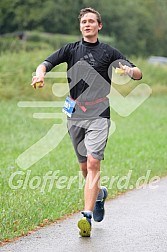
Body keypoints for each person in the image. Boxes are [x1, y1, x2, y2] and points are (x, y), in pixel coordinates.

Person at [31, 7, 142, 237]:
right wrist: (40, 74)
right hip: (75, 114)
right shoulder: (70, 49)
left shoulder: (109, 52)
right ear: (80, 26)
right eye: (84, 22)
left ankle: (86, 216)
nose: (87, 24)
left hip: (100, 113)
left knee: (93, 164)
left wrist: (130, 70)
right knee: (84, 167)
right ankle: (99, 193)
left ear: (99, 26)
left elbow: (138, 73)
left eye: (92, 21)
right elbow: (45, 63)